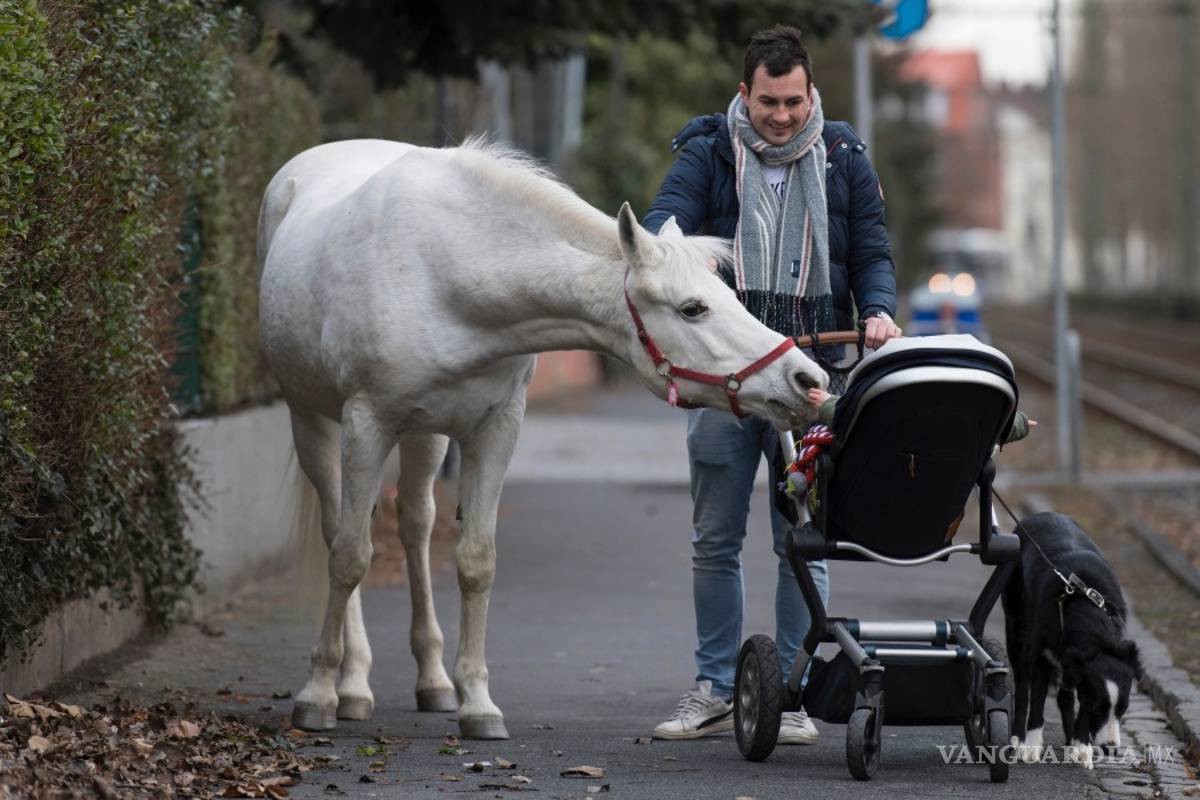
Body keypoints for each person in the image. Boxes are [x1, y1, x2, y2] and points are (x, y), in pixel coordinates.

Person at [643, 25, 903, 744]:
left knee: (805, 540)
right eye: (767, 102)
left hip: (814, 374)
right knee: (714, 539)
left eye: (793, 101)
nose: (781, 116)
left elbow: (873, 249)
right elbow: (668, 225)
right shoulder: (708, 153)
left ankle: (789, 691)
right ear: (743, 95)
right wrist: (660, 248)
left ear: (811, 93)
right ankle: (717, 687)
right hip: (728, 377)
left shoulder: (844, 157)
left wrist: (877, 310)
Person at [807, 387, 1038, 443]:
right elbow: (991, 425)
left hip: (875, 511)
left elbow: (854, 420)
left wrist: (828, 405)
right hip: (942, 520)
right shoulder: (961, 425)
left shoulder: (893, 417)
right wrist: (1019, 424)